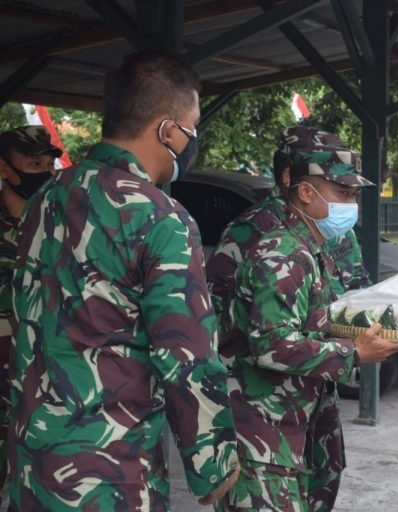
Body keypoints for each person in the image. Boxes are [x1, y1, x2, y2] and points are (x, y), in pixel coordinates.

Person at [9, 51, 240, 510]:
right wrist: (213, 461)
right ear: (168, 130)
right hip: (109, 473)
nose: (192, 140)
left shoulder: (45, 200)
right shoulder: (160, 218)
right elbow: (185, 356)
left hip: (32, 462)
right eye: (191, 127)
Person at [216, 133, 398, 511]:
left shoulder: (308, 246)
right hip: (261, 424)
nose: (351, 206)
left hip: (298, 412)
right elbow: (272, 344)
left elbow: (329, 311)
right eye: (344, 195)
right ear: (304, 193)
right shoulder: (282, 253)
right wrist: (354, 352)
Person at [0, 126, 61, 506]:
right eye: (34, 163)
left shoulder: (59, 226)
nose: (46, 171)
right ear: (4, 168)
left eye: (50, 162)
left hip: (42, 390)